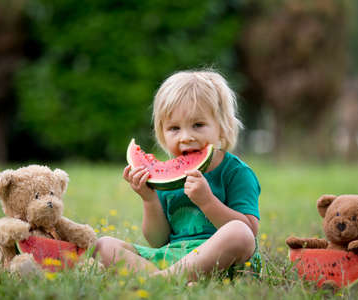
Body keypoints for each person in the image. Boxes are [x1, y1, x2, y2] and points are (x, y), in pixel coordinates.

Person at [94, 70, 261, 281]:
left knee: (239, 232)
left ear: (222, 127)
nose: (186, 137)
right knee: (103, 245)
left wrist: (207, 201)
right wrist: (149, 198)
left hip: (222, 260)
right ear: (161, 133)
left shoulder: (236, 173)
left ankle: (159, 281)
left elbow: (250, 231)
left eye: (198, 125)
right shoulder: (167, 177)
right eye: (174, 128)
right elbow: (158, 240)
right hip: (172, 257)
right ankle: (168, 279)